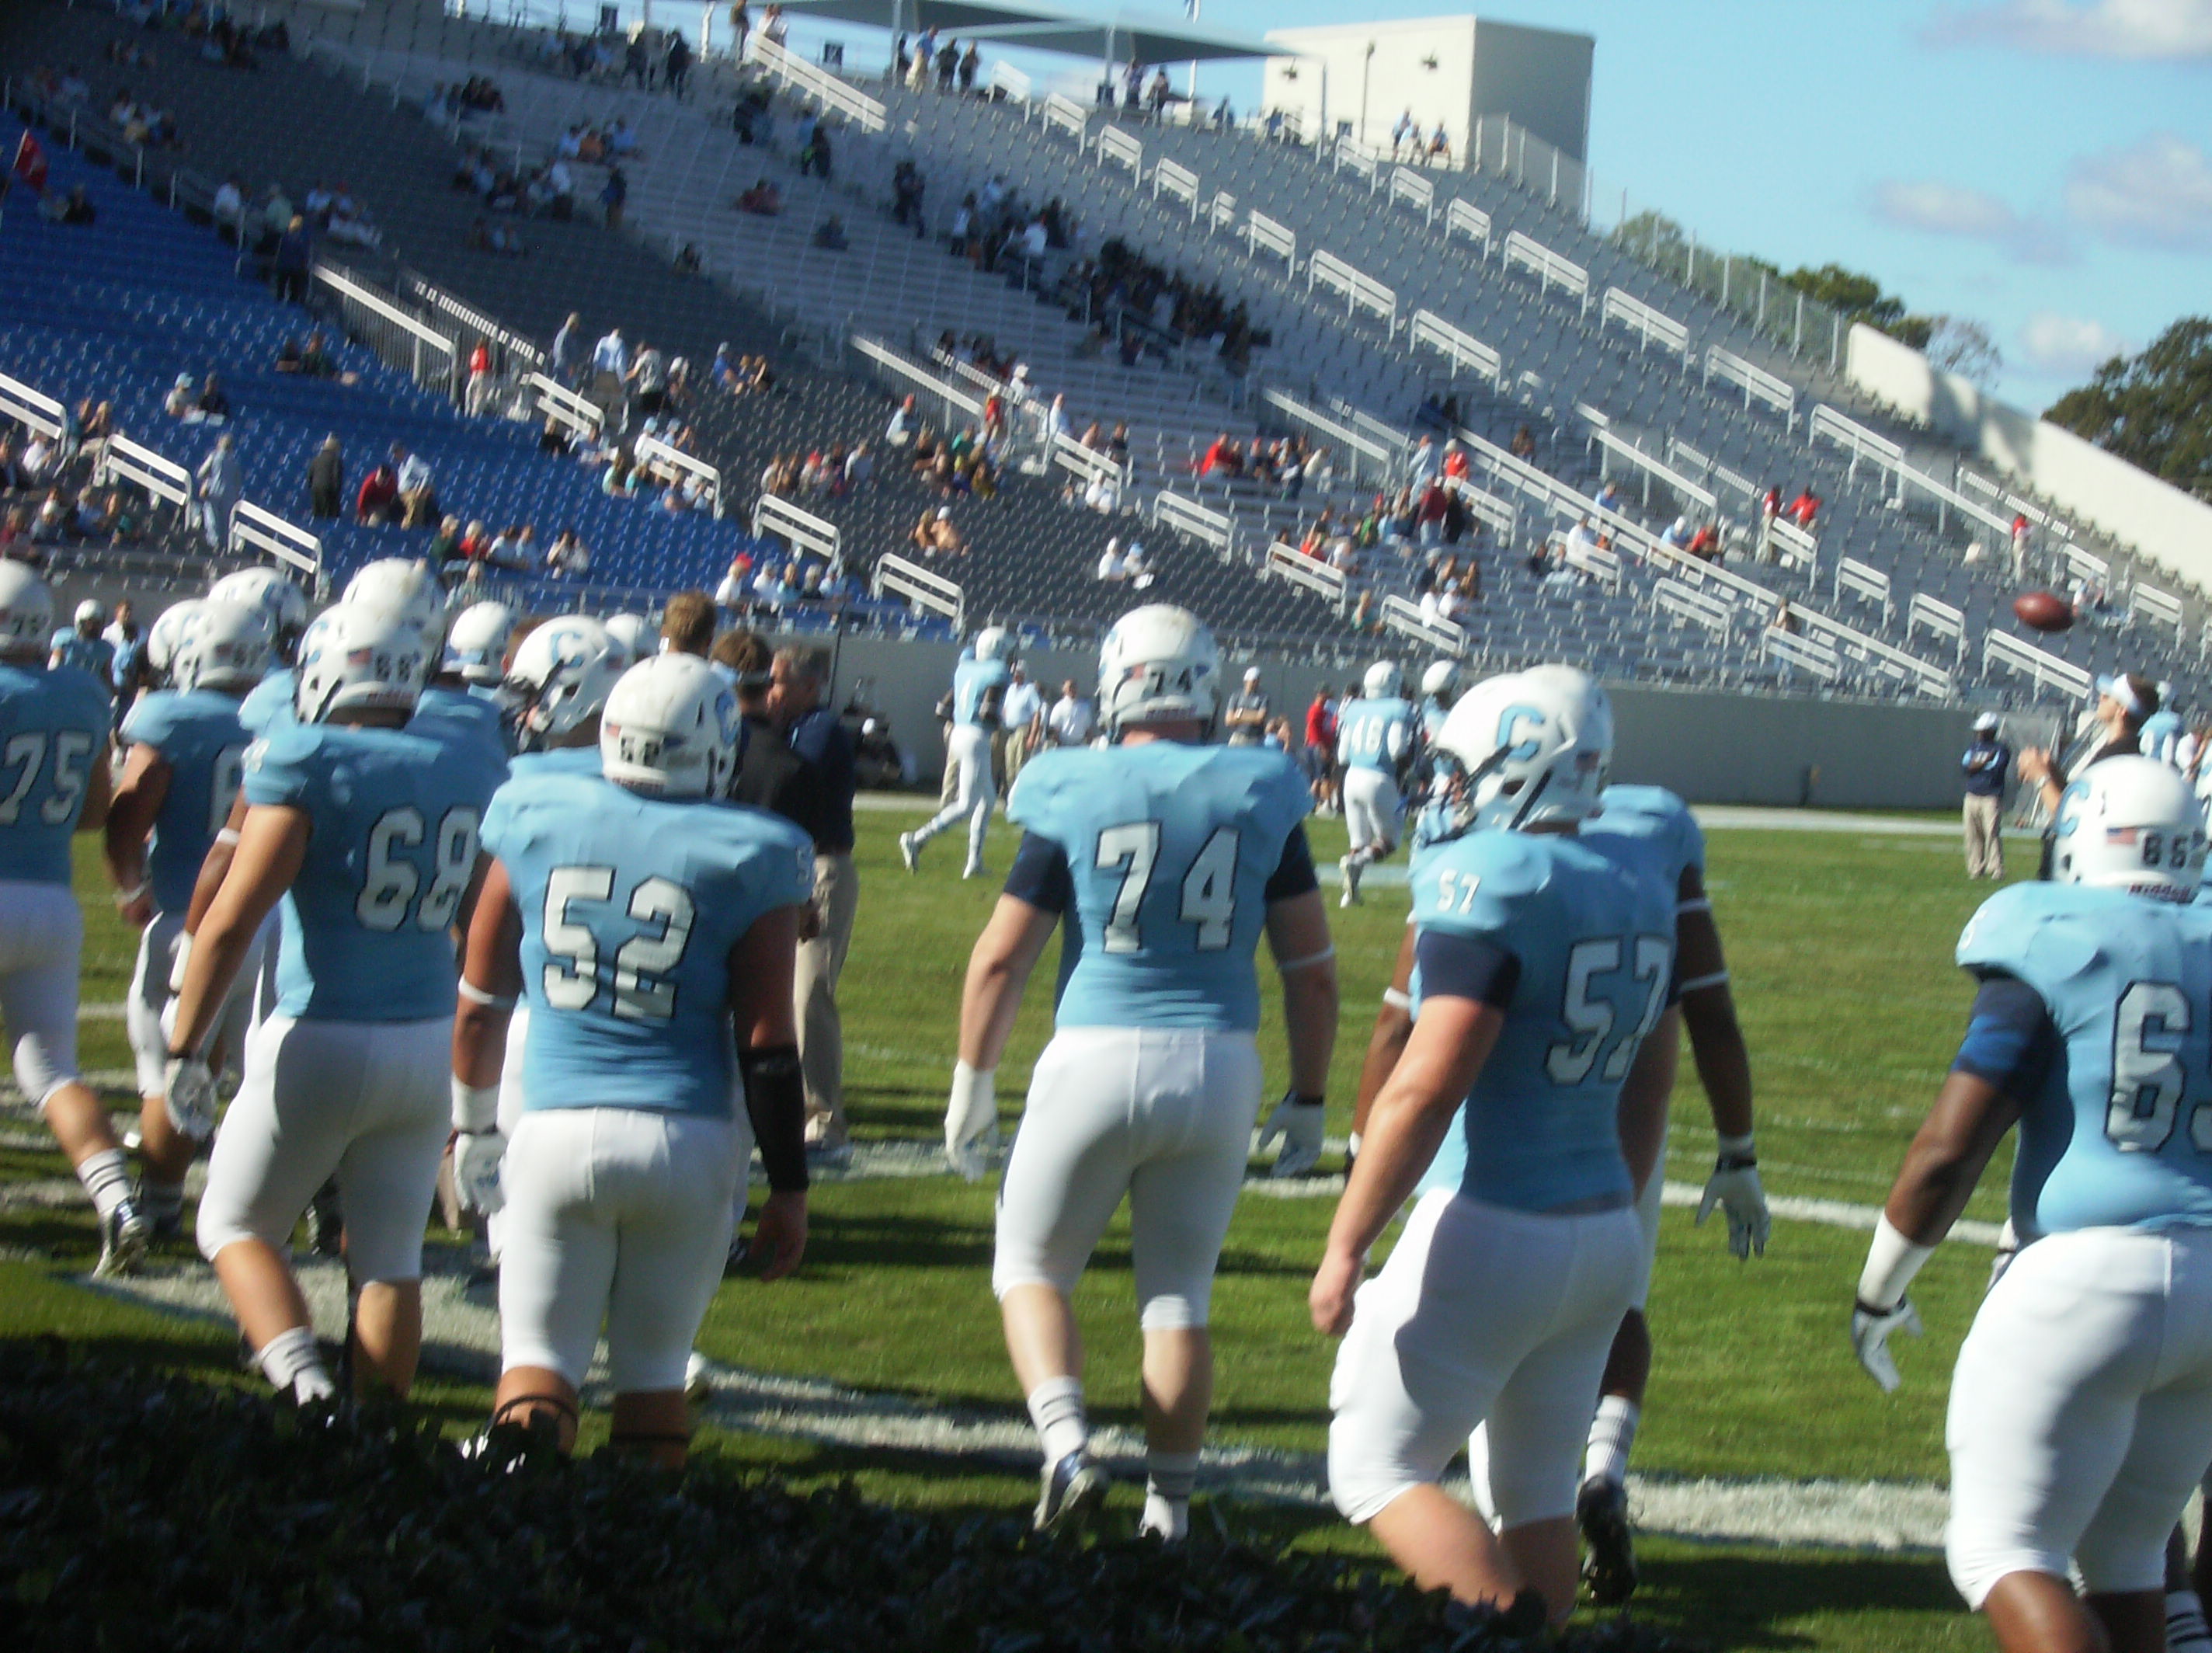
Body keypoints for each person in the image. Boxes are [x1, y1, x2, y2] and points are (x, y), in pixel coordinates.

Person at [948, 604, 1337, 1537]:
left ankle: (1068, 1447)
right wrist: (1310, 1094)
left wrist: (973, 1078)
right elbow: (1311, 971)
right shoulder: (1259, 786)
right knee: (1177, 1298)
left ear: (1115, 683)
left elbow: (1001, 958)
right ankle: (1168, 1511)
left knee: (1031, 1265)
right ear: (1206, 683)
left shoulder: (1074, 783)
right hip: (1220, 1065)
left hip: (1095, 1051)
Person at [1313, 667, 1675, 1627]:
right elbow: (1652, 1077)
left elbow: (1426, 1084)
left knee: (1373, 1465)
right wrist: (1611, 1201)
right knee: (1534, 1493)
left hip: (1495, 1223)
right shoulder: (1637, 879)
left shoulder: (1493, 877)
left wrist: (1345, 1243)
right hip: (1602, 1228)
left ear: (1521, 767)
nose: (1446, 791)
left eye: (1460, 771)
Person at [1852, 757, 2212, 1653]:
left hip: (2087, 1272)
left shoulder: (2053, 931)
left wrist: (1878, 1289)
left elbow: (1948, 1150)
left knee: (1999, 1549)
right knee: (2128, 1556)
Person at [451, 652, 812, 1466]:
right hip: (685, 1139)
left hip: (553, 1126)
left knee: (536, 1365)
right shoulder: (756, 849)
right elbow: (767, 1045)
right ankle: (637, 1541)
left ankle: (514, 1528)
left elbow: (479, 997)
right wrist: (790, 1188)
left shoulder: (533, 807)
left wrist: (470, 1127)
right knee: (653, 1379)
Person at [165, 602, 506, 1405]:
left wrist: (184, 1047)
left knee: (233, 1225)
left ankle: (310, 1393)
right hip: (425, 1038)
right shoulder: (464, 760)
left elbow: (230, 922)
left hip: (322, 1030)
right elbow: (477, 921)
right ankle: (375, 1442)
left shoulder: (310, 755)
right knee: (389, 1259)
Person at [102, 599, 270, 1241]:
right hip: (272, 924)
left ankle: (161, 1207)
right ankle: (315, 1201)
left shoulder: (169, 717)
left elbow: (126, 822)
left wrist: (130, 888)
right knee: (250, 1073)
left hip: (191, 918)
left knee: (168, 1069)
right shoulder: (281, 713)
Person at [0, 564, 137, 1273]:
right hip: (51, 904)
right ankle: (117, 1201)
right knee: (54, 1070)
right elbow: (91, 813)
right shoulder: (82, 693)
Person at [771, 646, 860, 1158]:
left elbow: (789, 778)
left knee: (810, 993)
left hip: (822, 869)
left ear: (810, 687)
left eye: (780, 682)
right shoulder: (796, 727)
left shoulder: (819, 730)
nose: (772, 692)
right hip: (797, 867)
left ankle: (824, 1120)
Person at [900, 628, 1010, 879]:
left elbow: (942, 709)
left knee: (987, 800)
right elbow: (988, 711)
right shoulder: (997, 671)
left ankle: (974, 863)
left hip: (958, 732)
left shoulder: (965, 667)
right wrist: (1002, 725)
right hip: (976, 736)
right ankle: (917, 838)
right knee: (967, 805)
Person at [1334, 661, 1414, 908]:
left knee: (1358, 842)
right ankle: (1357, 863)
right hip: (1378, 778)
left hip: (1351, 778)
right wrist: (1407, 768)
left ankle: (1349, 895)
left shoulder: (1354, 708)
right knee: (1389, 842)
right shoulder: (1399, 708)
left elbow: (1342, 756)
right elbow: (1397, 749)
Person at [1962, 712, 2012, 880]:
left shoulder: (2001, 749)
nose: (1979, 733)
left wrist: (1978, 765)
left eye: (1982, 730)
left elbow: (1996, 768)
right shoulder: (1973, 747)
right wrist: (1984, 762)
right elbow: (1966, 767)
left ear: (1991, 731)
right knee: (1972, 834)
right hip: (1972, 795)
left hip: (1991, 796)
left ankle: (1996, 868)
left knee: (1992, 833)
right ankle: (1976, 868)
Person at [197, 433, 241, 550]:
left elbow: (201, 473)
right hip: (229, 495)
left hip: (213, 492)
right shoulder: (234, 462)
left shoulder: (214, 456)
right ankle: (225, 546)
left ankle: (213, 544)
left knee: (212, 519)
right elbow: (237, 482)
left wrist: (207, 480)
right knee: (226, 522)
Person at [1223, 667, 1268, 746]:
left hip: (1254, 738)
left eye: (1257, 680)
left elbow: (1260, 719)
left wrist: (1239, 715)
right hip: (1238, 736)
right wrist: (1253, 715)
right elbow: (1228, 721)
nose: (1256, 683)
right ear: (1246, 681)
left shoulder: (1263, 697)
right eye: (1253, 681)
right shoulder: (1236, 696)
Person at [1048, 679, 1095, 747]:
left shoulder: (1084, 707)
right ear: (1064, 690)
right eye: (1070, 688)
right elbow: (1054, 730)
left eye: (1074, 687)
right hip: (1064, 746)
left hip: (1080, 746)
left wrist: (1089, 746)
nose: (1072, 690)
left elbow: (1088, 730)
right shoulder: (1059, 707)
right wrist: (1060, 745)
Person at [307, 434, 343, 520]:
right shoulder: (336, 460)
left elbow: (310, 477)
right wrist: (336, 491)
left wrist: (312, 486)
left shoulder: (316, 459)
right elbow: (336, 476)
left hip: (316, 489)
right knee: (329, 516)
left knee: (317, 515)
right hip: (329, 490)